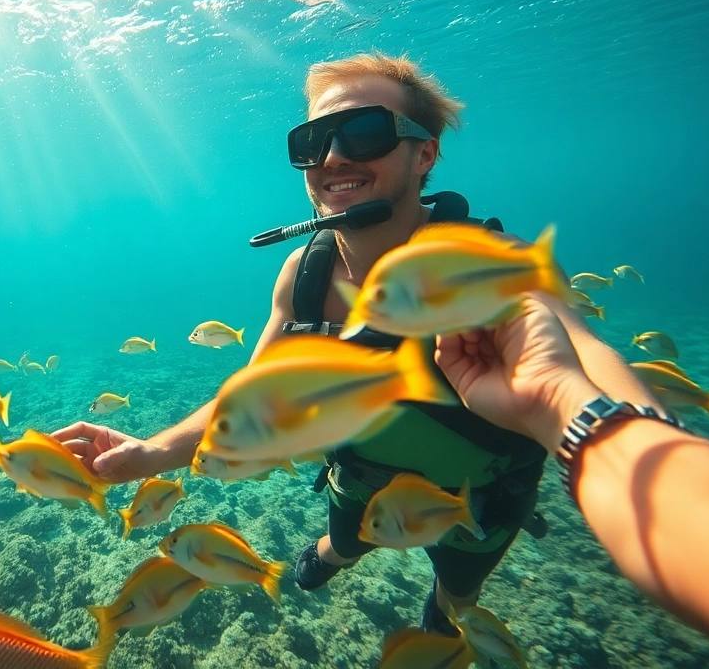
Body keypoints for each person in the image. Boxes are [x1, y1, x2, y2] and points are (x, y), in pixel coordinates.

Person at [53, 52, 658, 634]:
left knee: (460, 590)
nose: (334, 157)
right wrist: (150, 453)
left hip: (481, 497)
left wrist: (646, 450)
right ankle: (338, 554)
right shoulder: (303, 275)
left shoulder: (493, 263)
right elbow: (255, 394)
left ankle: (444, 609)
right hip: (360, 481)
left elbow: (586, 355)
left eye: (366, 132)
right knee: (344, 541)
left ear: (426, 153)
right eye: (311, 142)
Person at [435, 293, 709, 669]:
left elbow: (580, 350)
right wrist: (558, 401)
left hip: (482, 516)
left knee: (457, 599)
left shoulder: (510, 280)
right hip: (445, 506)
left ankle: (444, 633)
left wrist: (554, 397)